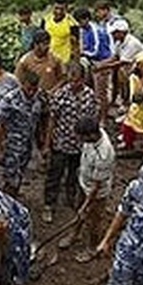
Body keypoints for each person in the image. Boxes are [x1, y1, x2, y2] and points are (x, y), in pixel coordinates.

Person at [44, 61, 98, 223]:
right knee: (55, 174)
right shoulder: (60, 95)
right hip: (61, 142)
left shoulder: (90, 96)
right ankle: (49, 204)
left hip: (80, 145)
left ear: (83, 79)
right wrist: (47, 144)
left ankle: (70, 198)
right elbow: (52, 120)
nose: (73, 84)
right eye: (70, 80)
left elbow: (94, 120)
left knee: (75, 174)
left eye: (76, 80)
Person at [64, 116, 115, 253]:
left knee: (94, 221)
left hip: (96, 193)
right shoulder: (96, 134)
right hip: (84, 183)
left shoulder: (104, 154)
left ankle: (92, 248)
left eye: (81, 137)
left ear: (91, 135)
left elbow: (97, 186)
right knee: (78, 211)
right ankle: (74, 235)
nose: (79, 140)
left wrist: (87, 204)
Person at [0, 69, 44, 198]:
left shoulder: (39, 96)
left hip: (27, 145)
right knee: (10, 178)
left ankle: (12, 198)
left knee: (19, 175)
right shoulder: (10, 99)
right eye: (29, 89)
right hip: (11, 145)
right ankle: (7, 203)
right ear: (22, 84)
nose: (31, 92)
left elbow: (42, 119)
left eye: (34, 89)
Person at [104, 18, 143, 111]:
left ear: (122, 32)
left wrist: (102, 67)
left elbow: (123, 61)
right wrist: (102, 63)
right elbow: (115, 57)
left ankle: (126, 101)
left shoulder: (132, 43)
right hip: (129, 66)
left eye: (115, 33)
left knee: (122, 72)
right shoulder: (119, 42)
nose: (113, 35)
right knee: (116, 72)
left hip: (139, 68)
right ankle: (116, 99)